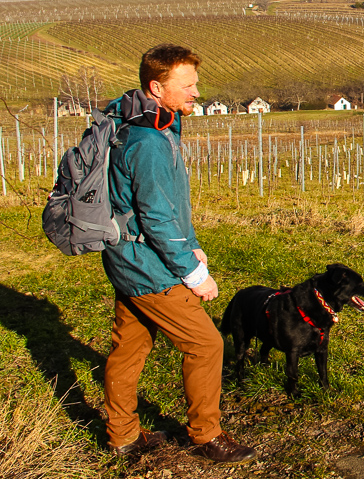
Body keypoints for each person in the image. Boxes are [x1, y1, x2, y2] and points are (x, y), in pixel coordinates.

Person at [101, 44, 256, 463]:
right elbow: (155, 218)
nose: (196, 93)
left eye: (196, 84)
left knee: (129, 349)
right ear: (156, 87)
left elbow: (165, 205)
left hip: (125, 259)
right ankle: (207, 435)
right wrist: (192, 272)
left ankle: (122, 436)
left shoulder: (139, 120)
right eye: (187, 85)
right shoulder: (148, 140)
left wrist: (192, 242)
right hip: (149, 268)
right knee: (206, 345)